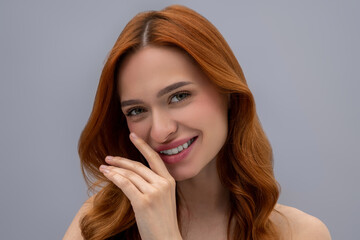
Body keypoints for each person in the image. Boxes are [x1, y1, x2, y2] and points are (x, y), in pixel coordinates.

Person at [64, 5, 331, 240]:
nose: (160, 131)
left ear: (227, 93)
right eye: (136, 110)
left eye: (179, 96)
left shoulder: (300, 234)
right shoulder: (97, 225)